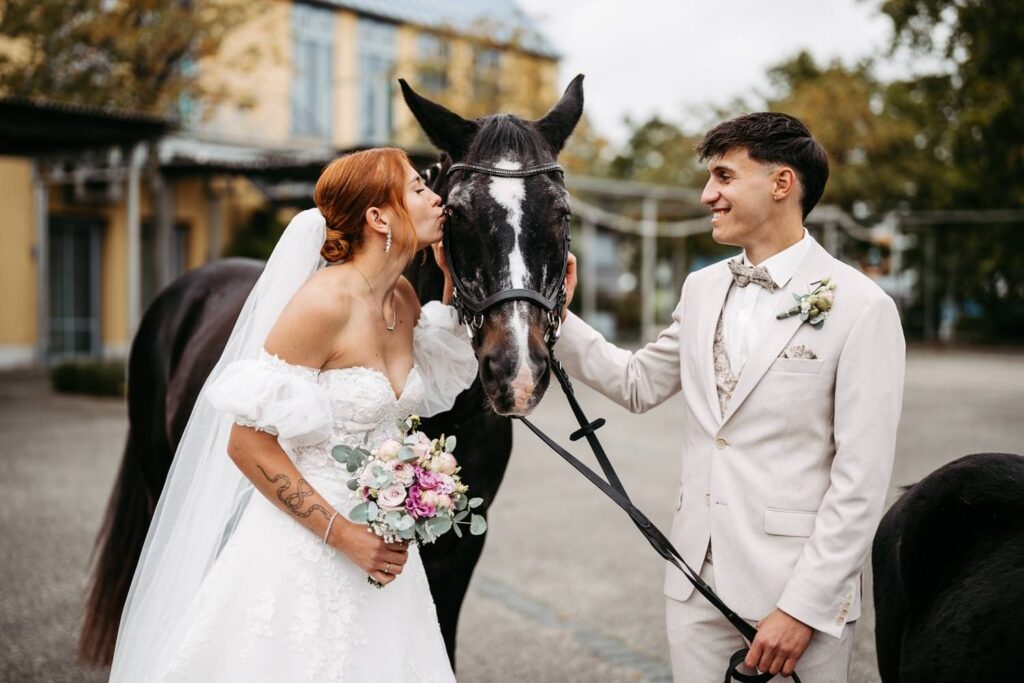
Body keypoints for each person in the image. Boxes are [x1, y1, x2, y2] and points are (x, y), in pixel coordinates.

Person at [557, 113, 905, 681]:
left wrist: (803, 607)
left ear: (780, 183)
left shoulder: (861, 306)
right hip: (694, 580)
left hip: (795, 596)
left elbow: (861, 481)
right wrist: (557, 319)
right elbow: (638, 383)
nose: (707, 194)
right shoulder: (701, 288)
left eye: (723, 176)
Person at [109, 148, 477, 682]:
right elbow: (246, 443)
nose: (436, 198)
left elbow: (441, 375)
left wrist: (448, 278)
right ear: (378, 218)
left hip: (387, 555)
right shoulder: (322, 304)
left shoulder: (402, 298)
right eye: (419, 189)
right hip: (308, 554)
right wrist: (345, 536)